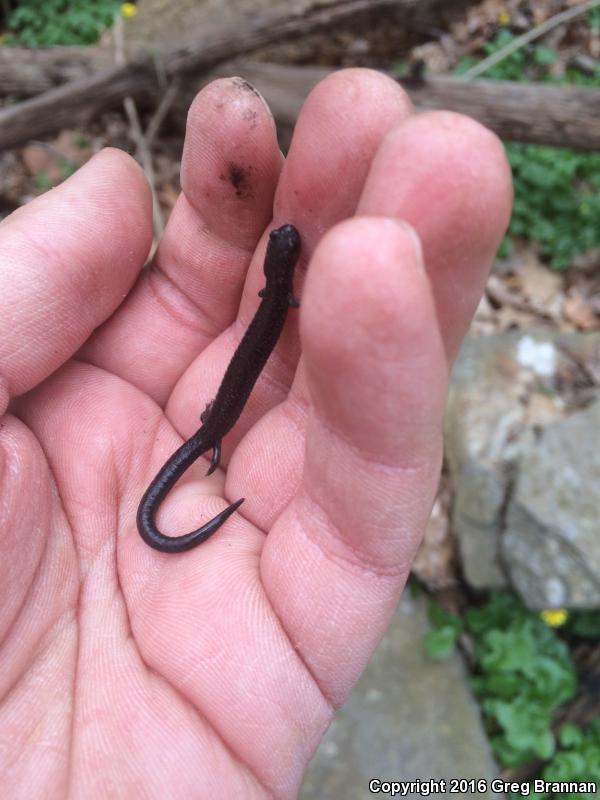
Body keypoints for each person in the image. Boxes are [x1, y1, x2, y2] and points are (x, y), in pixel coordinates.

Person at [0, 69, 511, 796]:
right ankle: (198, 457)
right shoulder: (279, 291)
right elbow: (279, 309)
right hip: (217, 418)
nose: (285, 251)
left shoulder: (278, 290)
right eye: (286, 250)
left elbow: (278, 308)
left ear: (280, 269)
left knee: (217, 419)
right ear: (286, 270)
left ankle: (203, 451)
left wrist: (214, 434)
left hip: (219, 418)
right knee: (215, 421)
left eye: (285, 249)